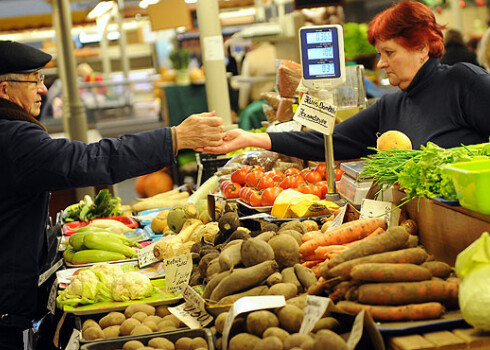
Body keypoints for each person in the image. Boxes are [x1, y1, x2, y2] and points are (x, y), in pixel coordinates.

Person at [0, 40, 224, 349]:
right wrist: (173, 138)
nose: (42, 89)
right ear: (4, 90)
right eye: (35, 80)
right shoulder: (13, 138)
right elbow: (88, 160)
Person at [203, 1, 490, 161]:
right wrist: (254, 138)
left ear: (422, 47)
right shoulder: (391, 106)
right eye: (380, 53)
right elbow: (328, 141)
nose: (381, 63)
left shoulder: (463, 82)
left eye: (389, 53)